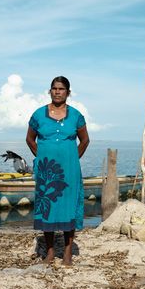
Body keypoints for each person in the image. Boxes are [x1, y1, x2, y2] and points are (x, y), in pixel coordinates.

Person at [26, 76, 90, 266]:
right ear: (50, 91)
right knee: (48, 207)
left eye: (61, 89)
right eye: (54, 88)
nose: (57, 92)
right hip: (47, 171)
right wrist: (42, 157)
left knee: (69, 207)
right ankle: (51, 252)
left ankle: (68, 252)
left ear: (68, 92)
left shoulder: (76, 116)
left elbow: (85, 140)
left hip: (69, 170)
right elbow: (30, 139)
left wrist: (72, 158)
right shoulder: (38, 115)